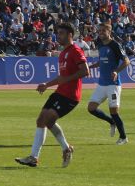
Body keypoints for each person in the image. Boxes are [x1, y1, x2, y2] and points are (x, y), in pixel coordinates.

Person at [15, 23, 89, 168]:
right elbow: (62, 76)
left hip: (70, 96)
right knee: (41, 120)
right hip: (60, 92)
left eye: (61, 33)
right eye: (58, 33)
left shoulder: (75, 50)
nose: (58, 36)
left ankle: (38, 156)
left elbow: (85, 71)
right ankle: (39, 156)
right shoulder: (62, 53)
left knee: (48, 119)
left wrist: (66, 79)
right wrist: (47, 85)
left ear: (69, 35)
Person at [88, 22, 130, 145]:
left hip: (113, 84)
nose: (100, 33)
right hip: (102, 84)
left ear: (109, 32)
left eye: (103, 31)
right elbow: (102, 61)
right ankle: (111, 122)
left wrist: (116, 71)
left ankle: (123, 137)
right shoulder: (100, 44)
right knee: (91, 108)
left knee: (114, 111)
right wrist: (91, 66)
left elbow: (126, 61)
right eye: (99, 31)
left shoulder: (115, 45)